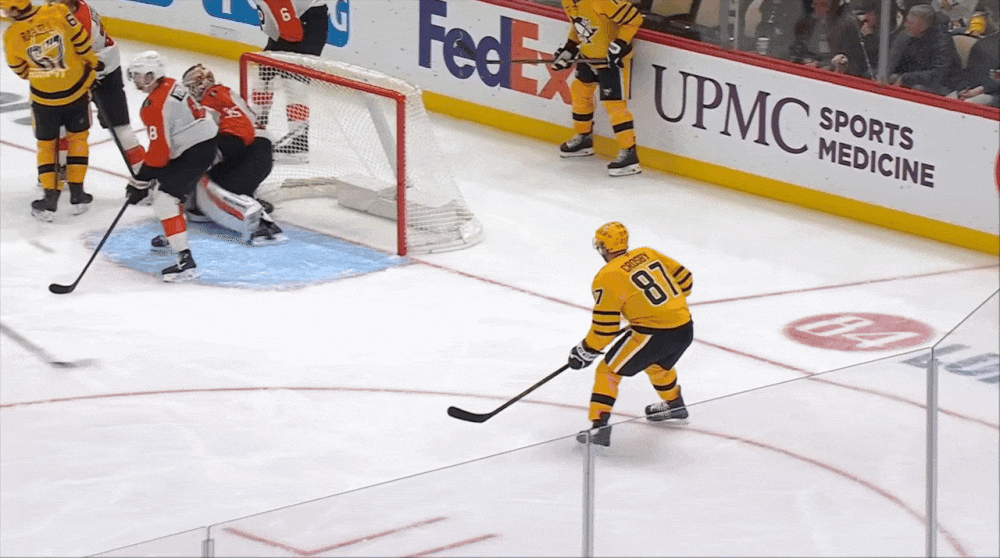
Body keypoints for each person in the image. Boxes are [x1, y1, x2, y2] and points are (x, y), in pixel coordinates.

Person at [567, 222, 694, 447]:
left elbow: (605, 328)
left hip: (653, 335)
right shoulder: (647, 253)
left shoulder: (607, 276)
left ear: (604, 248)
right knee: (657, 366)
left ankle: (599, 429)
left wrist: (586, 350)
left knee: (607, 371)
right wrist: (659, 309)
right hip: (684, 328)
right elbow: (686, 280)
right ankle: (675, 405)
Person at [166, 63, 287, 245]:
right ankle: (245, 197)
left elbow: (238, 135)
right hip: (260, 154)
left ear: (199, 85)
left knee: (205, 181)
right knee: (213, 174)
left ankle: (256, 220)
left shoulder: (213, 97)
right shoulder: (225, 94)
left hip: (250, 151)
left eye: (192, 87)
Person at [125, 51, 218, 282]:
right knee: (168, 192)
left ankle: (186, 263)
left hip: (194, 151)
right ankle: (173, 234)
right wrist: (144, 179)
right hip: (200, 143)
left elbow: (159, 153)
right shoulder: (171, 83)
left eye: (140, 76)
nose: (136, 81)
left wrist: (139, 181)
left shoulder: (155, 105)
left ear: (152, 75)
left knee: (165, 199)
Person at [3, 0, 97, 221]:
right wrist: (91, 64)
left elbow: (20, 70)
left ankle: (50, 197)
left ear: (15, 8)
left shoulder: (12, 34)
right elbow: (82, 42)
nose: (4, 12)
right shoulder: (58, 11)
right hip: (76, 90)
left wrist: (45, 75)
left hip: (44, 98)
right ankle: (78, 194)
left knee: (47, 146)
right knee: (78, 139)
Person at [550, 0, 644, 176]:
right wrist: (569, 48)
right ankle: (584, 138)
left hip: (612, 62)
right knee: (580, 91)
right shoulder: (568, 1)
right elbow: (580, 25)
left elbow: (634, 19)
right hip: (588, 57)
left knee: (614, 104)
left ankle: (629, 152)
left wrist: (621, 43)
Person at [59, 0, 145, 174]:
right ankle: (61, 167)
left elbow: (76, 59)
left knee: (120, 128)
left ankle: (143, 173)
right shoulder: (75, 8)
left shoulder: (81, 24)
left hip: (101, 71)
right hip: (100, 65)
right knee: (63, 124)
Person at [251, 0, 330, 163]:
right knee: (264, 75)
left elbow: (293, 32)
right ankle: (258, 129)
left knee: (295, 83)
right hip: (290, 16)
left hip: (308, 23)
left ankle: (298, 144)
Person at [887, 4, 964, 94]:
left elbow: (938, 74)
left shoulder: (942, 41)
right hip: (915, 76)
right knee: (888, 78)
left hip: (944, 84)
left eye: (910, 23)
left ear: (923, 26)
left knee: (917, 88)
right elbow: (893, 61)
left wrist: (906, 77)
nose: (905, 25)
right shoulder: (906, 35)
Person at [950, 30, 1000, 105]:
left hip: (994, 93)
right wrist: (964, 90)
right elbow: (970, 71)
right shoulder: (985, 43)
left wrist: (982, 89)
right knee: (948, 100)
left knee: (968, 104)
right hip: (973, 86)